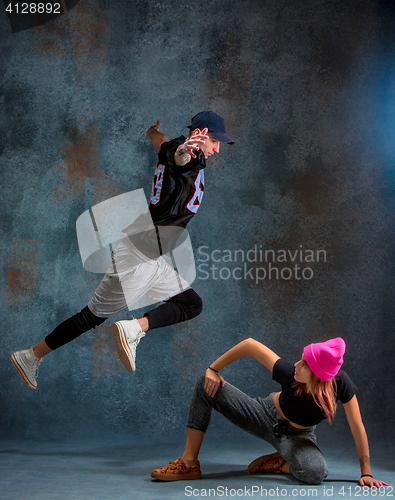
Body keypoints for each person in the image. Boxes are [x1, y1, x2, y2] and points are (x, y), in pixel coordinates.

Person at [10, 111, 234, 390]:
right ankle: (127, 331)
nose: (217, 148)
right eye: (214, 140)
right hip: (141, 253)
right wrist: (186, 151)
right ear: (199, 134)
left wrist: (151, 132)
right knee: (92, 317)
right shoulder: (187, 157)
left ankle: (33, 355)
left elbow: (161, 140)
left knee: (191, 304)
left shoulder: (169, 146)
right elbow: (181, 159)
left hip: (149, 252)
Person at [151, 337, 388, 488]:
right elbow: (250, 345)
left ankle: (281, 463)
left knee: (316, 473)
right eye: (300, 359)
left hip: (298, 438)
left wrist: (366, 472)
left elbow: (357, 426)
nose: (296, 364)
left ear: (317, 375)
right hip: (263, 415)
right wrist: (214, 368)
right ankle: (189, 463)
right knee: (206, 384)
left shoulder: (341, 384)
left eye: (304, 363)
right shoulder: (289, 373)